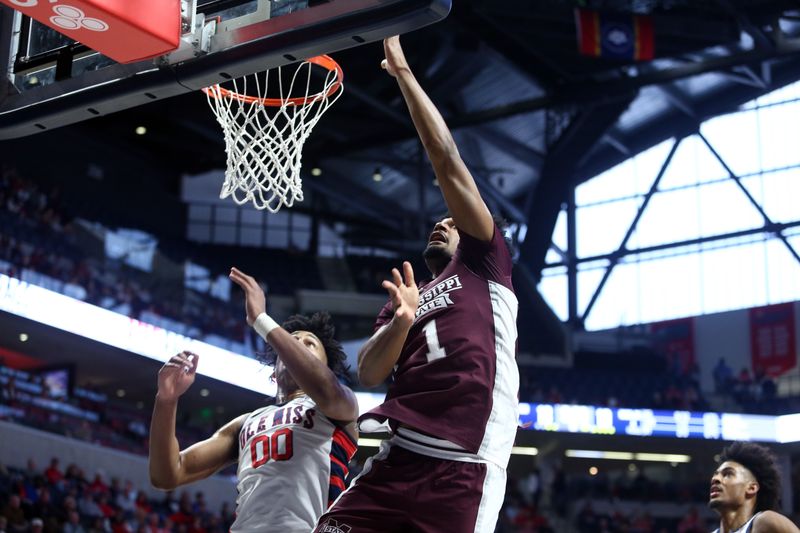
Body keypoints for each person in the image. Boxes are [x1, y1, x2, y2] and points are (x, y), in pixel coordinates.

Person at [314, 35, 519, 533]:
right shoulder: (408, 295)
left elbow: (445, 158)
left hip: (464, 464)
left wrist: (403, 73)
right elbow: (367, 371)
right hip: (399, 454)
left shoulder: (484, 263)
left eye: (450, 221)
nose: (441, 223)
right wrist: (400, 322)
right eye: (439, 221)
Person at [148, 267, 358, 532]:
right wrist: (166, 401)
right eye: (293, 342)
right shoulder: (245, 423)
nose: (298, 347)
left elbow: (325, 387)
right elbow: (167, 474)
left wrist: (261, 319)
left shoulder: (341, 406)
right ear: (274, 371)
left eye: (309, 344)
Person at [709, 441, 799, 533]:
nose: (715, 479)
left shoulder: (765, 521)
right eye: (715, 474)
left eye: (728, 474)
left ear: (751, 488)